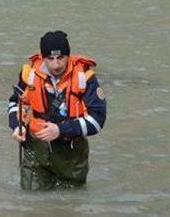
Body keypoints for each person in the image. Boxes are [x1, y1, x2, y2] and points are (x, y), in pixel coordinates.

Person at [7, 31, 106, 190]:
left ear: (68, 55)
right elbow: (16, 104)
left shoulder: (86, 78)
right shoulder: (29, 74)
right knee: (30, 199)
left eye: (60, 58)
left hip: (71, 154)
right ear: (43, 57)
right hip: (35, 150)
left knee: (70, 202)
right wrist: (17, 126)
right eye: (50, 59)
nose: (56, 65)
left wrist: (60, 130)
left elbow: (97, 120)